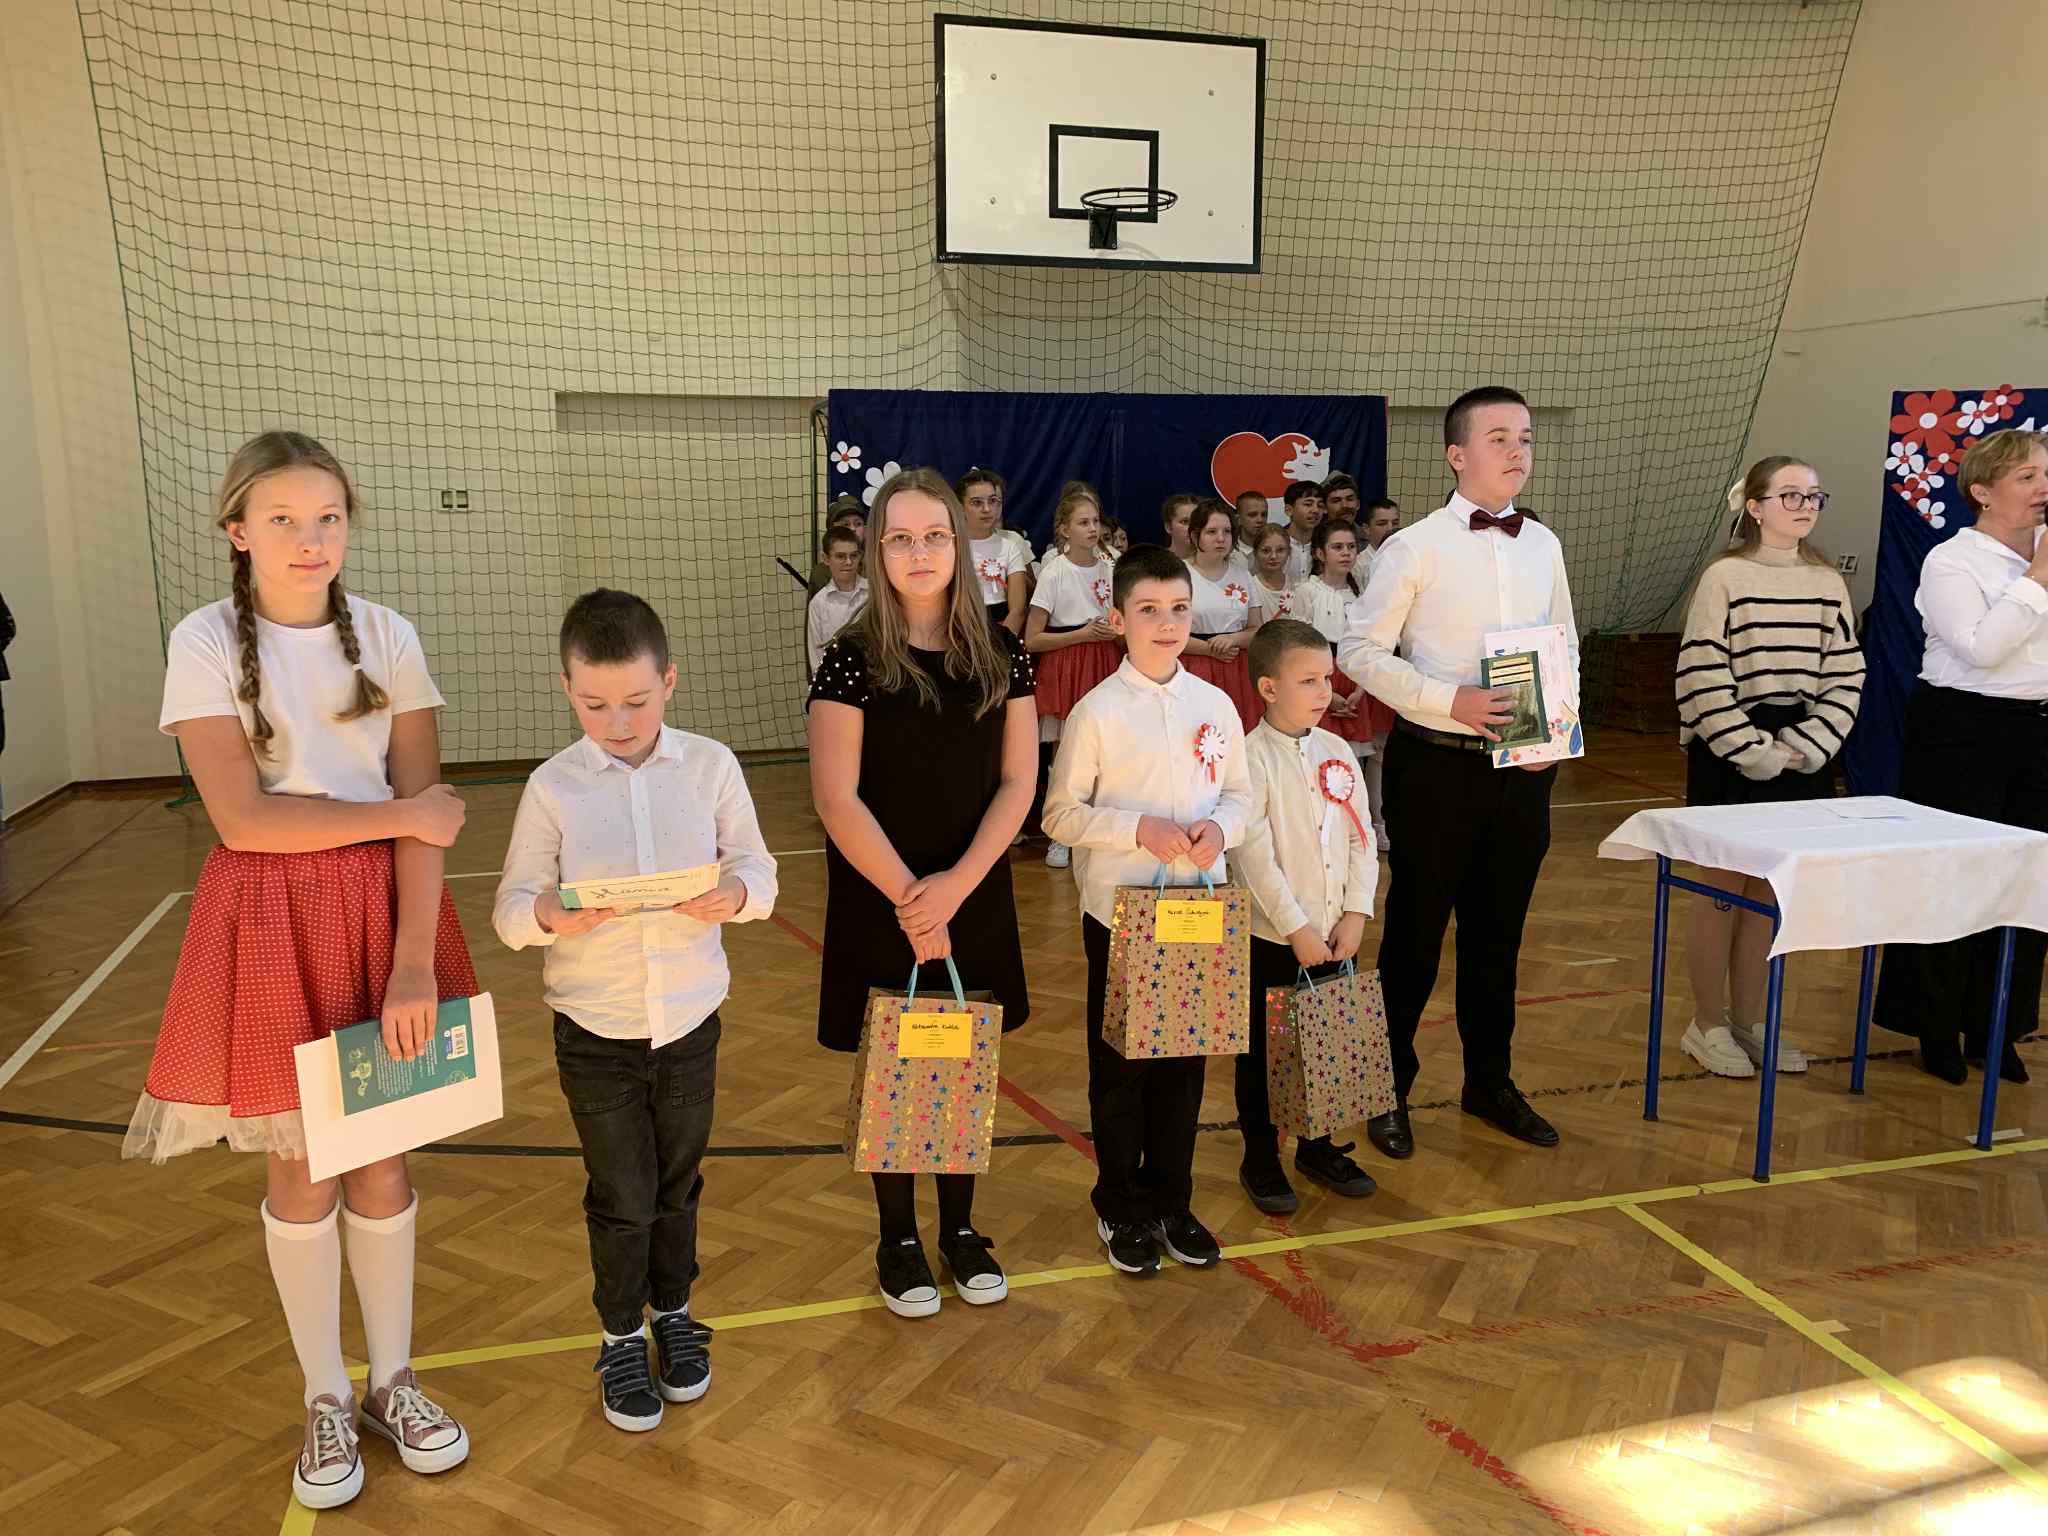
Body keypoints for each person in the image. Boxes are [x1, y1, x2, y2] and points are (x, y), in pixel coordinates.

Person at [124, 431, 474, 1510]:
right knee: (303, 1169)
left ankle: (392, 1381)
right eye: (281, 519)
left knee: (381, 1161)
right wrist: (393, 815)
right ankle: (324, 1393)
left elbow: (429, 824)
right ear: (238, 531)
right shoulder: (200, 641)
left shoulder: (390, 636)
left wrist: (412, 967)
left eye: (327, 517)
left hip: (382, 922)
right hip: (272, 921)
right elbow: (243, 821)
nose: (309, 538)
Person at [492, 589, 776, 1432]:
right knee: (622, 1192)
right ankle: (621, 1333)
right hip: (594, 1030)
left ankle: (675, 1313)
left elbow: (758, 868)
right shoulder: (552, 787)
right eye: (594, 705)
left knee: (678, 1182)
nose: (617, 723)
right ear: (566, 689)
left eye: (637, 702)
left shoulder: (711, 767)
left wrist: (736, 895)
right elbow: (511, 907)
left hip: (690, 1020)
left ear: (670, 682)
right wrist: (549, 916)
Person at [808, 467, 1037, 1316]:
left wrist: (955, 891)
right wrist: (913, 897)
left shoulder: (1003, 653)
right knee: (897, 1060)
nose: (918, 552)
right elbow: (836, 797)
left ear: (959, 545)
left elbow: (1019, 782)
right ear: (877, 550)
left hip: (970, 887)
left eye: (934, 535)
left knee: (960, 1055)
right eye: (900, 538)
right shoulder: (851, 658)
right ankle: (898, 1236)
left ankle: (962, 1229)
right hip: (883, 892)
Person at [1339, 386, 1577, 1159]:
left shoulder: (1543, 545)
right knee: (1413, 936)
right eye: (1499, 437)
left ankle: (1490, 1083)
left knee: (1498, 936)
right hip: (1435, 766)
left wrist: (1560, 726)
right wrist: (1451, 700)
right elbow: (1359, 652)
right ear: (1456, 454)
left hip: (1523, 770)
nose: (1518, 450)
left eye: (1526, 437)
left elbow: (1565, 642)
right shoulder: (1414, 547)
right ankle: (1386, 1090)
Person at [1043, 544, 1252, 1277]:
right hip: (1122, 918)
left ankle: (1172, 1201)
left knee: (1184, 1068)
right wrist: (1138, 829)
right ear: (1117, 618)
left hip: (1199, 914)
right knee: (1122, 1069)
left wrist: (1220, 829)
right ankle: (1119, 1204)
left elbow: (1241, 794)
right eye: (1149, 610)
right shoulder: (1097, 713)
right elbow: (1060, 814)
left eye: (1179, 610)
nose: (1167, 625)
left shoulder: (1216, 704)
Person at [1675, 457, 1862, 1080]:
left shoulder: (1827, 583)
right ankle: (1706, 1024)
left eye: (1814, 496)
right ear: (1754, 507)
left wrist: (1809, 745)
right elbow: (1701, 671)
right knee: (1723, 889)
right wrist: (1749, 750)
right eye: (1790, 495)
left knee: (1767, 892)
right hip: (1731, 750)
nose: (1806, 506)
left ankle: (1749, 1022)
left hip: (1801, 750)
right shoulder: (1724, 578)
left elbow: (1845, 673)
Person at [1875, 428, 2048, 1085]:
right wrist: (2037, 581)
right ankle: (1935, 1024)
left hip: (2036, 730)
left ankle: (1996, 1025)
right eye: (2027, 477)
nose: (2043, 488)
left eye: (2045, 475)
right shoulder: (1953, 561)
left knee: (2026, 882)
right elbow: (1981, 649)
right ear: (1983, 492)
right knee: (1953, 879)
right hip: (1962, 732)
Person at [1231, 619, 1381, 1213]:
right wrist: (1295, 928)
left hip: (1336, 932)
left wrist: (1356, 912)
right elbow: (1254, 855)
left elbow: (1362, 838)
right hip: (1273, 936)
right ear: (1269, 688)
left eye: (1327, 678)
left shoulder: (1337, 750)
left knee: (1328, 1042)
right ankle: (1260, 1156)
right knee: (1263, 1054)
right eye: (1309, 681)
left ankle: (1318, 1147)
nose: (1325, 691)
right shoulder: (1249, 759)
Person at [1025, 482, 1120, 871]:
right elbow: (1033, 638)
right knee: (1066, 753)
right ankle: (1060, 835)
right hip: (1068, 664)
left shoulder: (1111, 567)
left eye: (1095, 521)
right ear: (1064, 529)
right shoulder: (1055, 572)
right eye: (1083, 522)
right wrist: (1081, 634)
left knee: (1106, 752)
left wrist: (1114, 633)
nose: (1092, 529)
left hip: (1106, 661)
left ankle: (1099, 830)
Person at [1290, 519, 1383, 757]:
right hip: (1318, 680)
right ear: (1320, 553)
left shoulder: (1361, 594)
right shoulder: (1307, 591)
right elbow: (1298, 651)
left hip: (1354, 682)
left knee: (1350, 759)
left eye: (1351, 547)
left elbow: (1367, 645)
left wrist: (1360, 690)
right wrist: (1328, 695)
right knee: (1318, 755)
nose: (1346, 553)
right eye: (1337, 547)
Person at [1180, 497, 1264, 728]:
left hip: (1236, 666)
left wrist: (1232, 639)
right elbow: (1167, 632)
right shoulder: (1179, 574)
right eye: (1212, 532)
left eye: (1227, 531)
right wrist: (1210, 650)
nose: (1221, 538)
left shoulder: (1242, 575)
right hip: (1194, 666)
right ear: (1195, 536)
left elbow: (1257, 629)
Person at [959, 466, 1030, 633]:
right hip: (962, 630)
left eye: (992, 501)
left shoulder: (1010, 547)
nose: (986, 509)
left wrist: (1001, 643)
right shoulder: (951, 547)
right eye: (977, 503)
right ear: (960, 507)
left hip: (1003, 630)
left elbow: (1018, 610)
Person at [806, 525, 868, 675]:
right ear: (826, 559)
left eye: (854, 555)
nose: (848, 562)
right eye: (840, 556)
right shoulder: (819, 603)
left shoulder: (875, 594)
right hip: (836, 681)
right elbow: (816, 655)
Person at [807, 495, 866, 593]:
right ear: (831, 529)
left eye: (858, 524)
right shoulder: (820, 574)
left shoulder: (878, 566)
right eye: (845, 524)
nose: (853, 529)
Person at [1250, 523, 1298, 624]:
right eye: (1266, 551)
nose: (1273, 556)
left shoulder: (1297, 587)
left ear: (1289, 552)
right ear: (1255, 552)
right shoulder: (1249, 588)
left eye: (1280, 550)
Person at [1281, 481, 1324, 585]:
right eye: (1308, 504)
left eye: (1320, 505)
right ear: (1289, 510)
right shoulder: (1274, 543)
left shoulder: (1326, 544)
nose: (1315, 510)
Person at [1162, 491, 1200, 562]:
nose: (1193, 527)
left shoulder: (1214, 561)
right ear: (1168, 527)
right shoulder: (1153, 563)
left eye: (1197, 521)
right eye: (1185, 521)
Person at [1233, 490, 1271, 561]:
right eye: (1253, 515)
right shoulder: (1227, 554)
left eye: (1263, 515)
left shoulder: (1278, 550)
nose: (1260, 520)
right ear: (1238, 519)